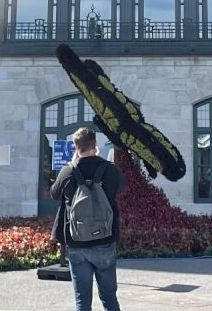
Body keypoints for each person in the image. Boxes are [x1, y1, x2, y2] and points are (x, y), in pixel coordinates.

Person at [48, 126, 124, 311]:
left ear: (75, 146)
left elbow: (54, 194)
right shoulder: (110, 170)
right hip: (105, 240)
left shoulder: (68, 171)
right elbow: (121, 189)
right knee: (109, 299)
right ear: (95, 144)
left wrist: (73, 165)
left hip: (77, 242)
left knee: (82, 301)